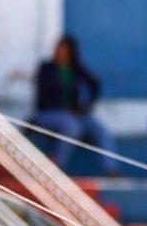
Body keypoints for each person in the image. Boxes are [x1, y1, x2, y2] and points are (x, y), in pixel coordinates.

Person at [30, 35, 114, 163]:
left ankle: (111, 168)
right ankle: (56, 162)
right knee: (72, 126)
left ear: (71, 53)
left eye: (64, 51)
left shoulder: (75, 69)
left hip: (74, 114)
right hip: (48, 113)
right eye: (58, 49)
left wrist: (85, 107)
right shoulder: (46, 69)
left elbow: (95, 84)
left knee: (100, 131)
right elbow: (45, 96)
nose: (59, 53)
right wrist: (66, 111)